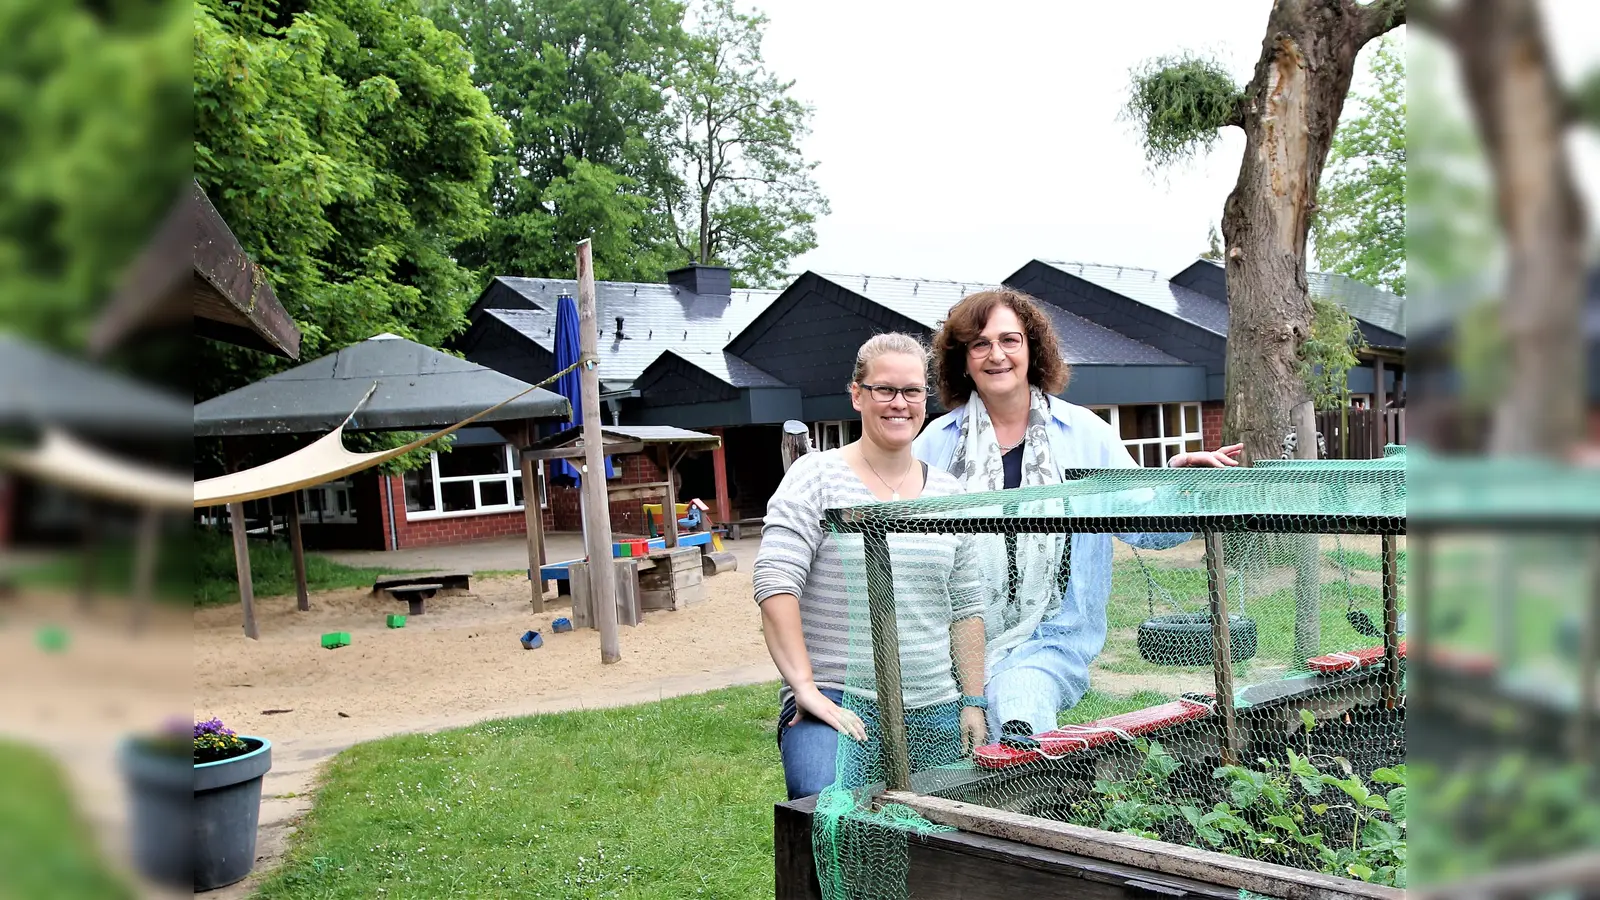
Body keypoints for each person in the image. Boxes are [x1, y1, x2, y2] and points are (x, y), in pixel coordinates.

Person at [913, 288, 1242, 741]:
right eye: (980, 344)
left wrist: (1179, 486)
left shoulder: (1085, 433)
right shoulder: (934, 443)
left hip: (1052, 637)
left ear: (1032, 348)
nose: (997, 355)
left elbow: (1146, 528)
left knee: (1018, 709)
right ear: (963, 359)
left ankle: (1027, 802)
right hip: (952, 641)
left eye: (1010, 340)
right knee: (942, 754)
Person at [754, 333, 987, 800]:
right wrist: (804, 687)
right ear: (857, 394)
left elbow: (966, 606)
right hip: (838, 699)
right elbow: (775, 583)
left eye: (913, 391)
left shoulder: (950, 495)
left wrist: (974, 702)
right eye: (885, 390)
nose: (899, 404)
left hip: (933, 704)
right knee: (822, 806)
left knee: (942, 835)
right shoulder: (815, 477)